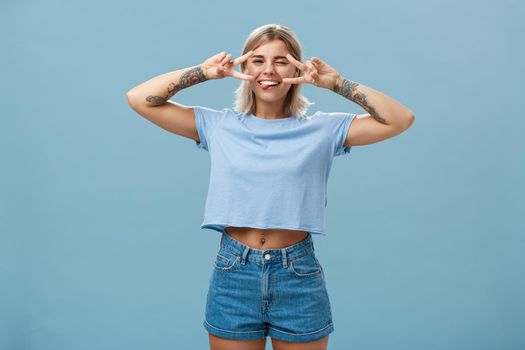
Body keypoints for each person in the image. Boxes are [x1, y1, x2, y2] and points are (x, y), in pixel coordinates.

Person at [126, 23, 414, 350]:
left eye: (281, 60)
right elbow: (139, 99)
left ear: (297, 67)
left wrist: (336, 83)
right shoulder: (218, 125)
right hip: (234, 271)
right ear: (244, 67)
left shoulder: (323, 129)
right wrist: (203, 72)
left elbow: (399, 119)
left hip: (298, 274)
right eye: (258, 60)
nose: (269, 70)